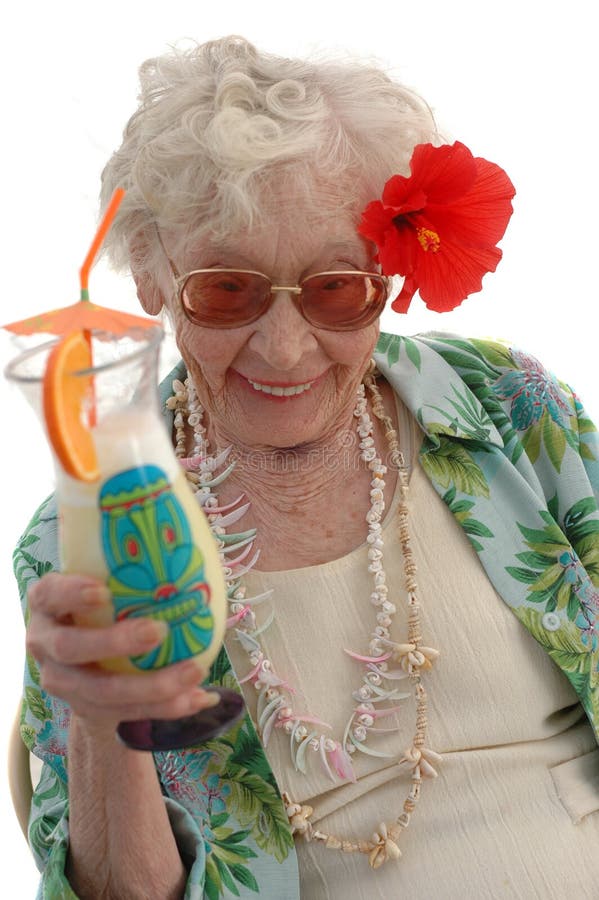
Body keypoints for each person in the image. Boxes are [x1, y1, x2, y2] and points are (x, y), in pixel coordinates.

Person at [16, 35, 599, 900]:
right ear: (149, 271)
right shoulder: (96, 532)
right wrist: (103, 726)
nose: (285, 350)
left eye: (335, 288)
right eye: (226, 289)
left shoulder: (503, 405)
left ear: (388, 274)